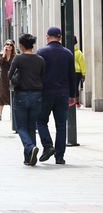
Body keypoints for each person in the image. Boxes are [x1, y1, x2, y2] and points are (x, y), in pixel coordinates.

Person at [36, 27, 76, 165]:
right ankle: (60, 156)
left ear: (47, 36)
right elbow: (72, 76)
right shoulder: (68, 54)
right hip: (63, 93)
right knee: (61, 125)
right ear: (60, 38)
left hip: (45, 93)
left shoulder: (41, 52)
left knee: (41, 121)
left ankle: (48, 146)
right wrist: (73, 95)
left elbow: (38, 74)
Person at [8, 34, 45, 166]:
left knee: (21, 126)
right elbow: (43, 77)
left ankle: (30, 147)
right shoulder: (40, 59)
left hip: (21, 95)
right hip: (37, 95)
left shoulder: (18, 58)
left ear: (22, 45)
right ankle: (28, 158)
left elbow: (9, 74)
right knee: (31, 126)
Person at [0, 39, 15, 121]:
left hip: (12, 77)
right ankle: (0, 114)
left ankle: (12, 114)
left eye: (10, 45)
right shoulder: (1, 55)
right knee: (2, 95)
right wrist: (3, 55)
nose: (9, 46)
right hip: (3, 77)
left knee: (12, 95)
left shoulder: (15, 56)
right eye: (7, 44)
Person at [73, 36, 86, 108]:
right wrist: (83, 74)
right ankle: (76, 102)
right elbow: (82, 64)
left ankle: (76, 102)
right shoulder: (79, 53)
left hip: (76, 72)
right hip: (77, 72)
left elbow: (82, 64)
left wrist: (83, 74)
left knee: (74, 87)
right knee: (75, 87)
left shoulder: (78, 53)